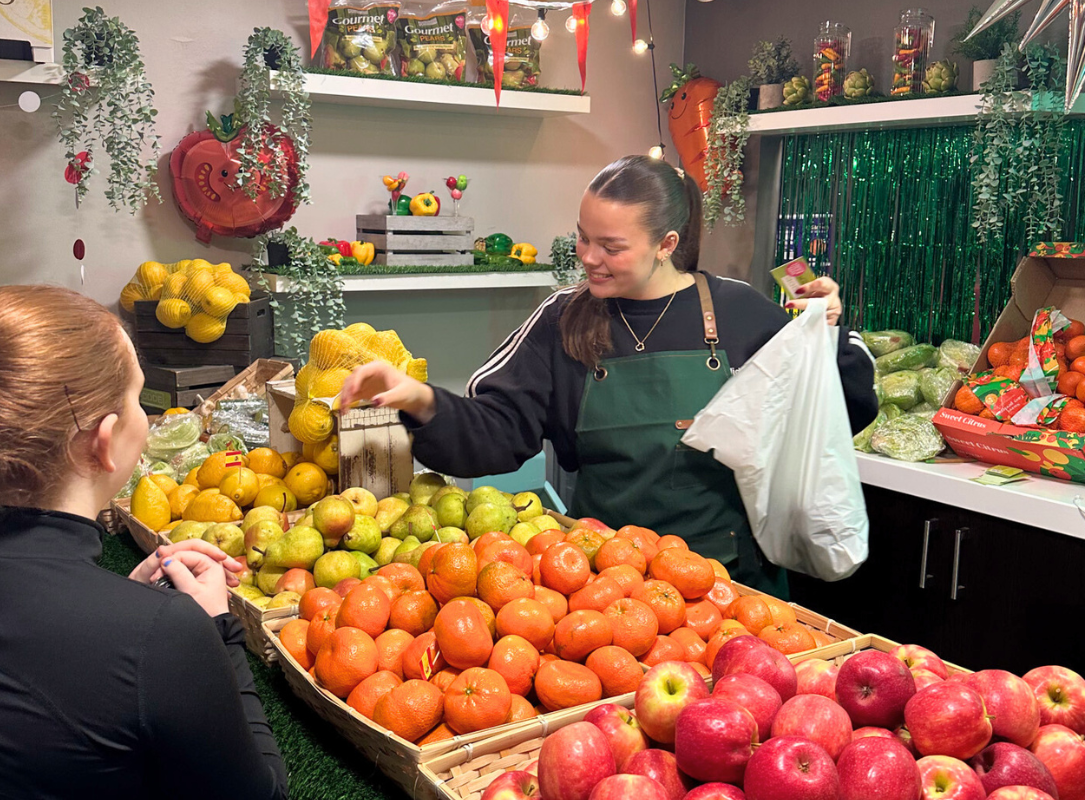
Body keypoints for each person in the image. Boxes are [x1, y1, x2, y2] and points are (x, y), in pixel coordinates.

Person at [341, 156, 877, 596]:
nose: (590, 259)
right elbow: (496, 433)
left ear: (667, 244)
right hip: (597, 591)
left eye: (612, 247)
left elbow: (837, 411)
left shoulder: (741, 313)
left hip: (729, 587)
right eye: (583, 238)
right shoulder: (560, 320)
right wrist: (421, 401)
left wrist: (827, 335)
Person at [0, 285, 288, 799]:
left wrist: (117, 603)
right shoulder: (163, 636)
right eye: (137, 397)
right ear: (104, 440)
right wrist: (217, 632)